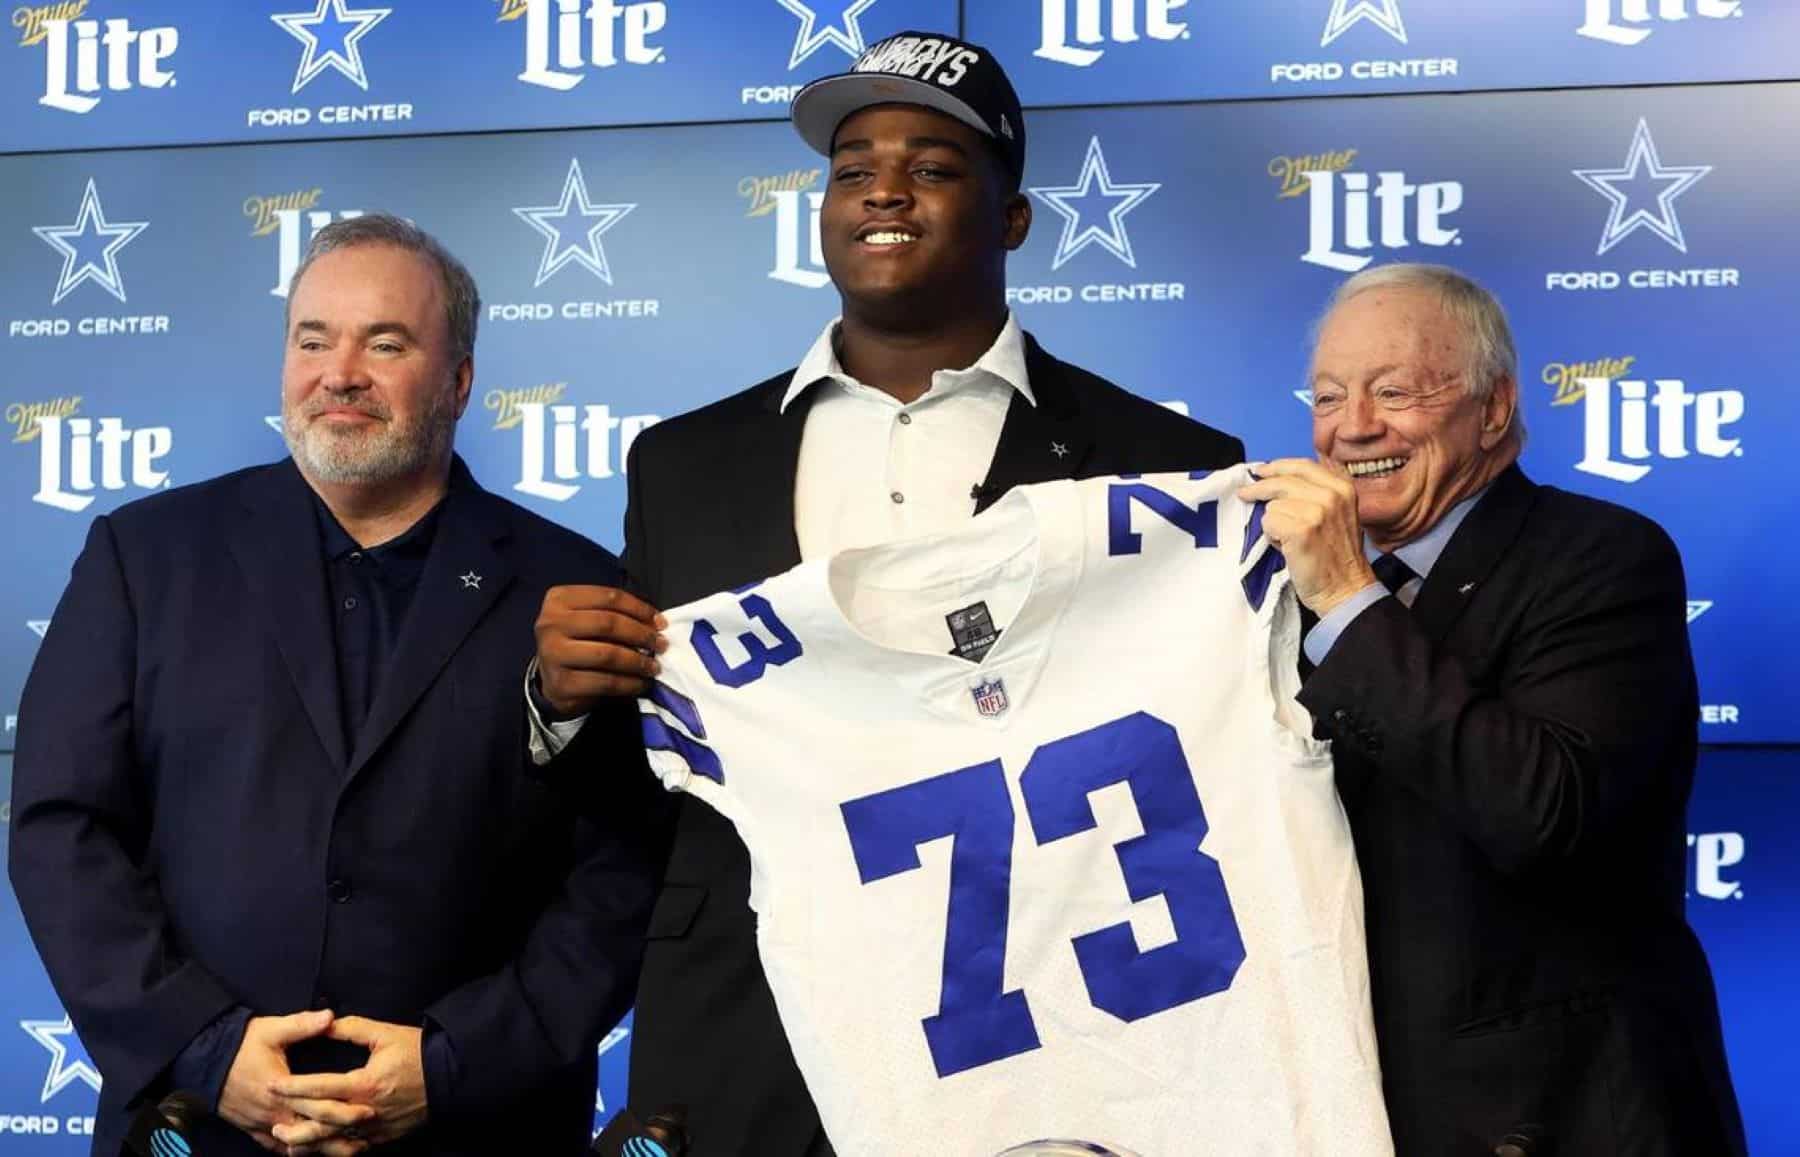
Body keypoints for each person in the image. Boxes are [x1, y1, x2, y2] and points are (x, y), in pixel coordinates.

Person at [527, 30, 1244, 1157]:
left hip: (1052, 1015)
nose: (884, 191)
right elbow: (654, 786)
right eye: (853, 167)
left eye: (934, 165)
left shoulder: (1167, 462)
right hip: (749, 1027)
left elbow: (1210, 754)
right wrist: (565, 700)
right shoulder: (685, 463)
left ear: (1013, 218)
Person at [9, 215, 664, 1157]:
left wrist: (454, 1065)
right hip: (195, 1128)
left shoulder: (578, 588)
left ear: (461, 382)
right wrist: (201, 1045)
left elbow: (626, 867)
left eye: (385, 343)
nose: (340, 371)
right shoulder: (144, 558)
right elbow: (60, 825)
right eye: (313, 339)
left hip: (479, 1130)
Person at [1238, 263, 1746, 1156]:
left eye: (1393, 390)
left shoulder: (1601, 557)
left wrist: (1352, 598)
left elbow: (1545, 809)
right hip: (1345, 1105)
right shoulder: (1268, 592)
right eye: (1326, 395)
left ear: (1494, 408)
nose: (1353, 427)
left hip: (1563, 1117)